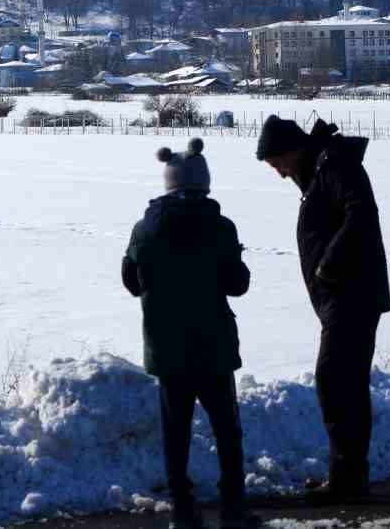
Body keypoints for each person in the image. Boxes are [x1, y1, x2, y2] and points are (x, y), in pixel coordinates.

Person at [255, 115, 390, 504]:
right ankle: (349, 475)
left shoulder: (334, 166)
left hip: (351, 294)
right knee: (345, 383)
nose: (280, 173)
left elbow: (361, 213)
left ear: (293, 150)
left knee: (335, 380)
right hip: (343, 295)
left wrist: (329, 266)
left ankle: (347, 478)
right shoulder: (321, 169)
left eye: (278, 163)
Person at [123, 138, 257, 529]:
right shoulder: (220, 227)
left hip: (166, 346)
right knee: (226, 429)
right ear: (204, 184)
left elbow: (131, 282)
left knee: (175, 430)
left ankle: (182, 508)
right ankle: (233, 507)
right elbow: (237, 284)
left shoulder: (143, 230)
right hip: (213, 344)